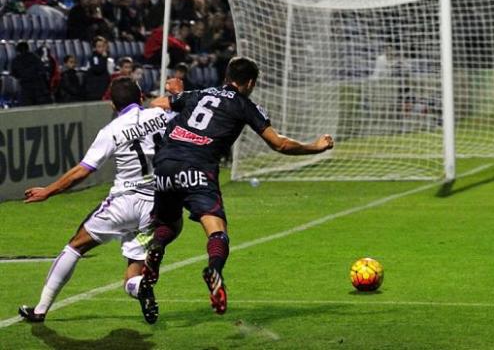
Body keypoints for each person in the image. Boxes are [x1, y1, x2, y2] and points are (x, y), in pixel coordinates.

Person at [141, 57, 334, 321]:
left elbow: (157, 104)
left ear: (227, 76)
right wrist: (315, 147)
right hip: (198, 167)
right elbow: (279, 144)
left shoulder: (198, 93)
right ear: (250, 83)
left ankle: (157, 246)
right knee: (217, 232)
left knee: (170, 225)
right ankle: (214, 270)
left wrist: (177, 97)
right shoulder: (244, 105)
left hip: (164, 165)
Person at [18, 77, 175, 324]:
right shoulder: (161, 116)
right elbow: (176, 107)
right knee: (132, 273)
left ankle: (40, 309)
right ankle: (140, 286)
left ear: (113, 105)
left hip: (123, 203)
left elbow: (83, 170)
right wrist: (171, 97)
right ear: (141, 95)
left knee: (75, 246)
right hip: (155, 207)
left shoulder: (111, 131)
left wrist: (49, 190)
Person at [11, 42, 52, 106]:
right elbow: (42, 69)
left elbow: (14, 73)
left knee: (27, 108)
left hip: (25, 87)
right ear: (28, 48)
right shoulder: (35, 57)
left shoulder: (15, 60)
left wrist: (22, 76)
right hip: (38, 87)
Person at [83, 36, 113, 101]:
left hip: (105, 89)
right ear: (94, 48)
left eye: (103, 46)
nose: (102, 48)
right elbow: (98, 69)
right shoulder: (94, 58)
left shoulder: (109, 60)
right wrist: (104, 58)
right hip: (96, 92)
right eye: (99, 46)